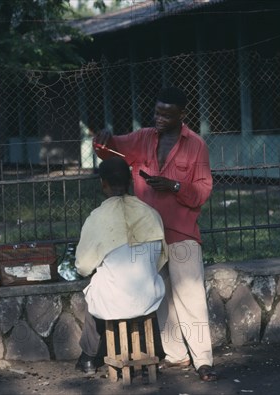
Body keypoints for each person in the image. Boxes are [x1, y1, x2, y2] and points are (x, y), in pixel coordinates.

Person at [92, 87, 217, 381]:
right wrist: (103, 139)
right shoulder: (143, 138)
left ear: (182, 115)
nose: (159, 118)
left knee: (191, 297)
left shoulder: (196, 145)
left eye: (167, 114)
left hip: (182, 232)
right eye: (157, 112)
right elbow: (109, 152)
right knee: (161, 296)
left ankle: (203, 360)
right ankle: (176, 355)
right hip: (148, 234)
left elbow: (202, 191)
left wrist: (174, 186)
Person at [74, 157, 168, 375]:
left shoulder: (97, 218)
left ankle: (88, 358)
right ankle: (145, 351)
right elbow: (162, 258)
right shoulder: (150, 213)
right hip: (149, 298)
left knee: (94, 286)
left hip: (112, 303)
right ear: (130, 182)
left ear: (103, 183)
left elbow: (82, 266)